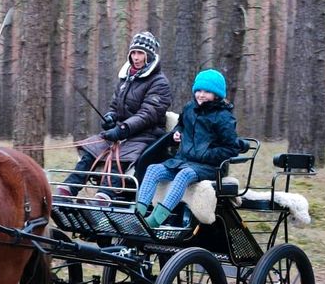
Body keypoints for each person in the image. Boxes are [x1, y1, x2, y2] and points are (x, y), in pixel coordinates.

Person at [55, 31, 172, 201]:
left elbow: (148, 114)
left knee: (121, 156)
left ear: (149, 56)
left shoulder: (160, 82)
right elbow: (115, 105)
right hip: (122, 132)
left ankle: (105, 196)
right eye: (133, 53)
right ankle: (69, 189)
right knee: (91, 150)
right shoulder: (126, 78)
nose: (136, 57)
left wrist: (123, 128)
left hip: (147, 136)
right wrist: (111, 117)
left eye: (141, 53)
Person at [135, 68, 247, 228]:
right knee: (153, 169)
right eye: (199, 90)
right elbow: (180, 125)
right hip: (184, 160)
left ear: (217, 95)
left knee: (183, 175)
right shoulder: (189, 109)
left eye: (207, 91)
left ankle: (156, 219)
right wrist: (177, 133)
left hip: (210, 167)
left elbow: (231, 149)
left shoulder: (224, 118)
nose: (201, 95)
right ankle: (138, 214)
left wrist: (205, 154)